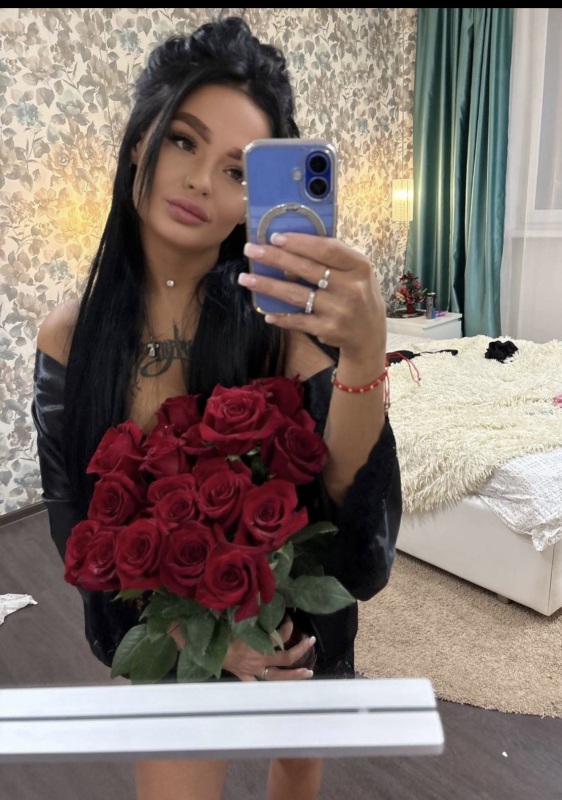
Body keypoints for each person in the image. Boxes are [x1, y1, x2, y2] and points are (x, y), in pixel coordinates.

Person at [32, 15, 401, 800]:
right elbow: (77, 521)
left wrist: (365, 355)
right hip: (169, 626)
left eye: (237, 170)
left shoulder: (279, 323)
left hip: (286, 619)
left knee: (296, 762)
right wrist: (196, 633)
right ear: (141, 143)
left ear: (251, 201)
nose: (202, 180)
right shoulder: (71, 336)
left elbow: (343, 490)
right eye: (183, 141)